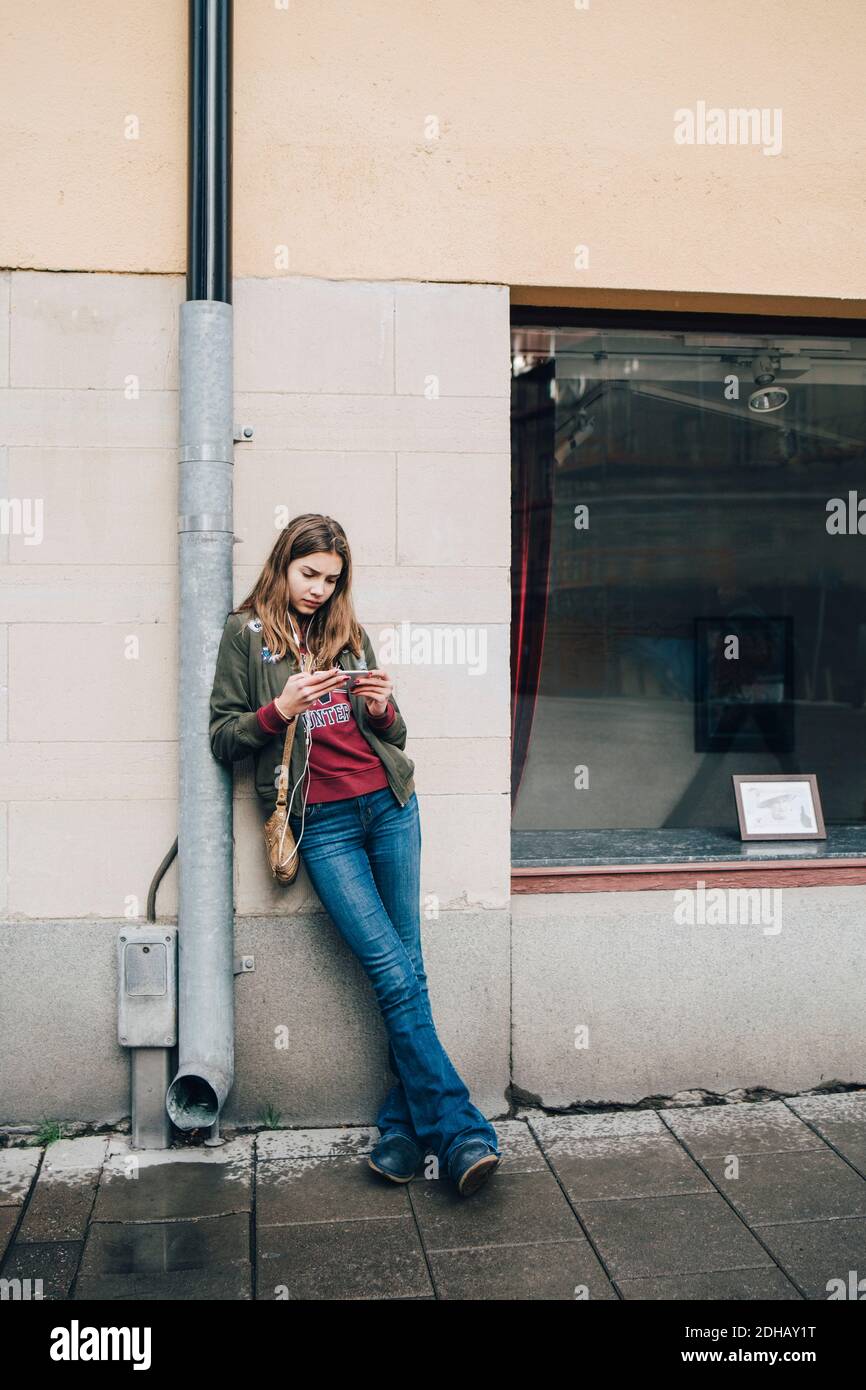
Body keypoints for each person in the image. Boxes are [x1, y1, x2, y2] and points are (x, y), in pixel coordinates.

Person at [209, 513, 501, 1197]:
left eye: (331, 579)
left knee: (409, 969)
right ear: (283, 565)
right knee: (393, 973)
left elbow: (393, 731)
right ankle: (462, 1132)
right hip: (327, 826)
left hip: (390, 807)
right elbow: (224, 737)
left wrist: (381, 708)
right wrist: (279, 708)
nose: (318, 589)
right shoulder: (245, 635)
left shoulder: (347, 632)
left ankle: (403, 1133)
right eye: (309, 574)